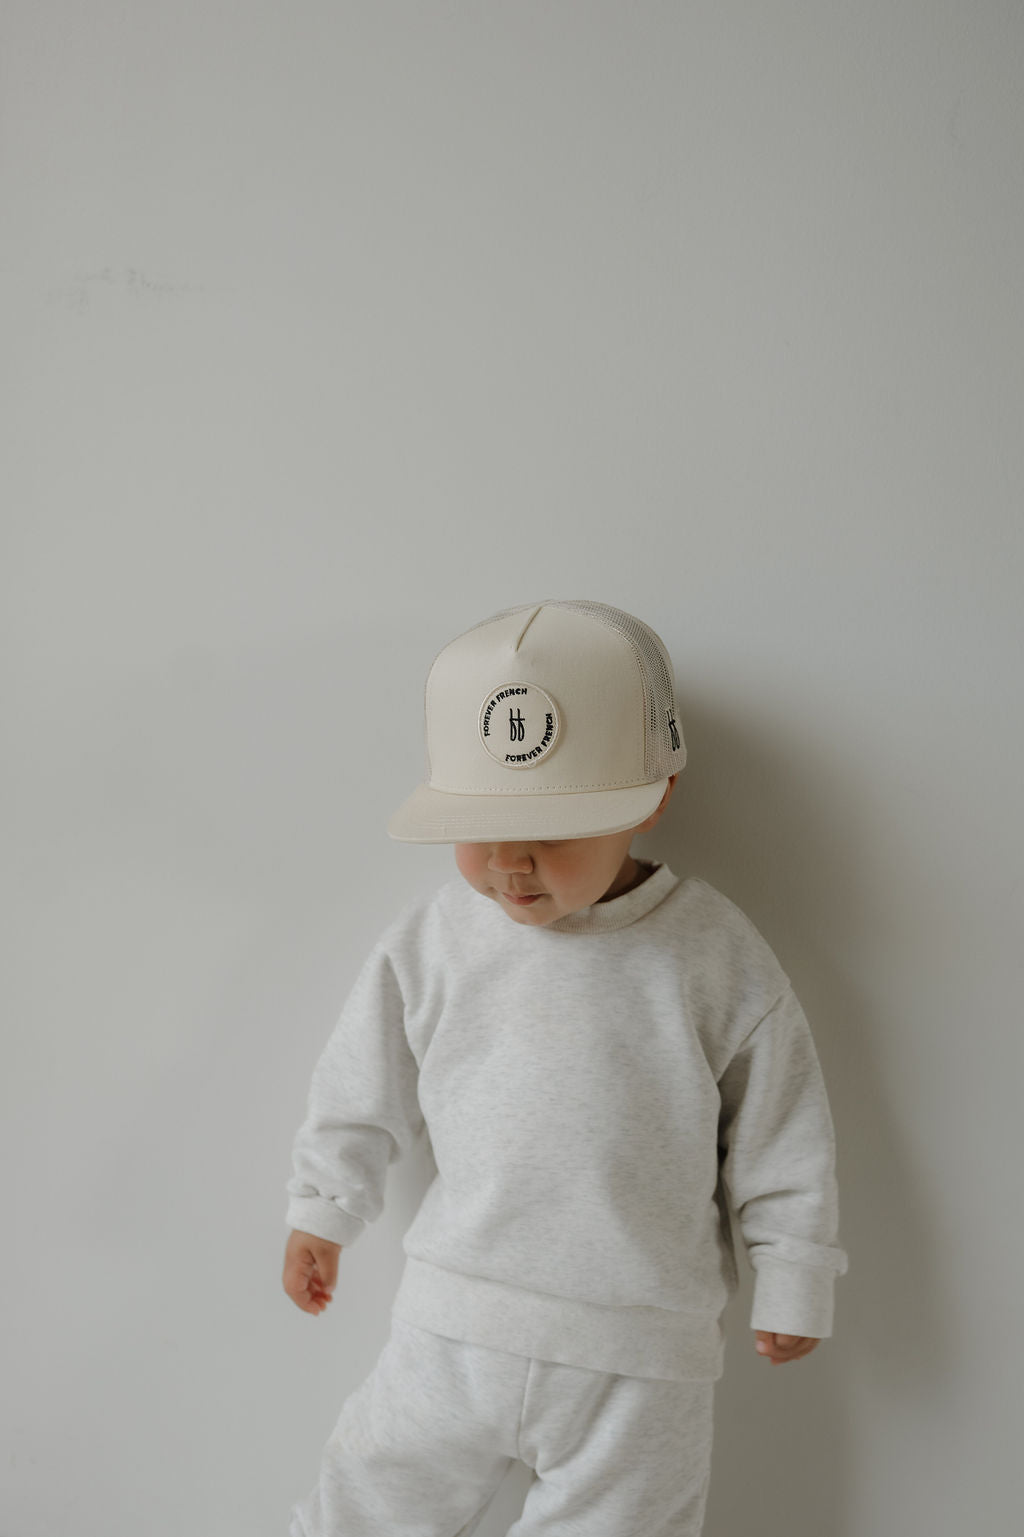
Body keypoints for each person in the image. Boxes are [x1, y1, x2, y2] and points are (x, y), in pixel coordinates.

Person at [282, 599, 848, 1537]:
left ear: (652, 795)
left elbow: (782, 1126)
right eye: (480, 830)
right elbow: (361, 1077)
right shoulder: (436, 938)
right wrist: (323, 1205)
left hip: (641, 1359)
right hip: (453, 1327)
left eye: (550, 831)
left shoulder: (713, 952)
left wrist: (795, 1274)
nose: (509, 864)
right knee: (364, 1505)